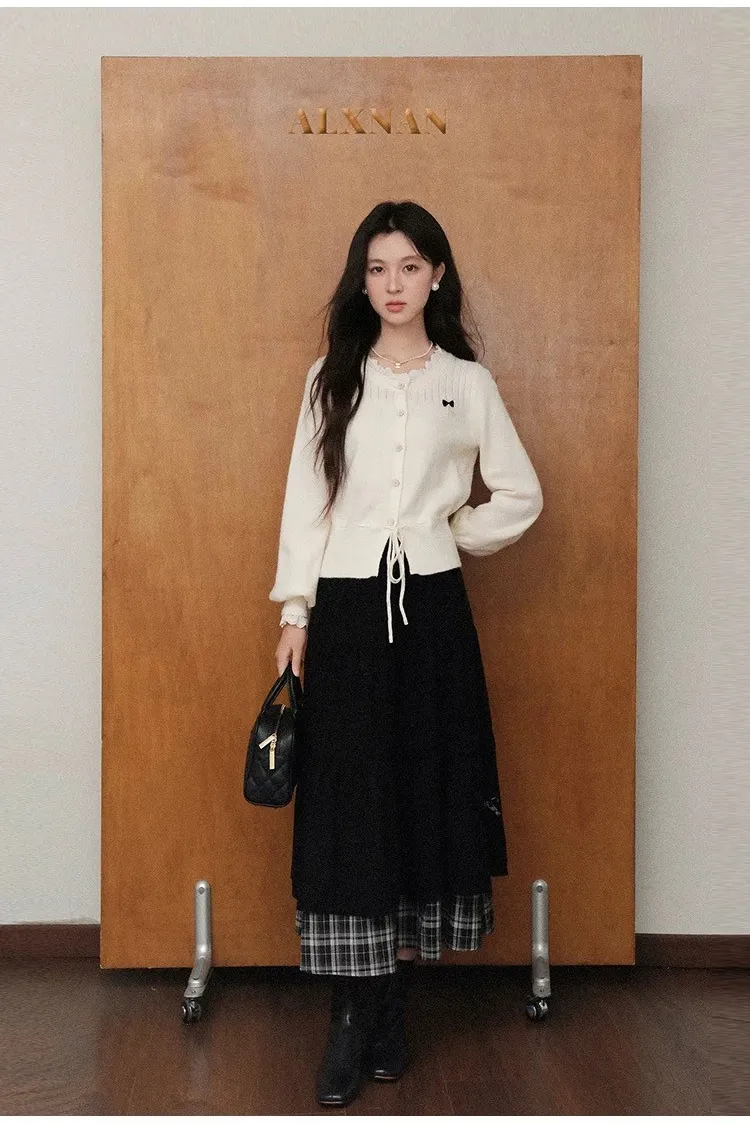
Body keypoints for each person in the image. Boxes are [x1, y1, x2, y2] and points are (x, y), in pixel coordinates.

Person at [269, 200, 543, 1107]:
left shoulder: (467, 382)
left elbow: (520, 493)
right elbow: (307, 497)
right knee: (350, 798)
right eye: (378, 268)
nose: (393, 284)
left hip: (431, 611)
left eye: (410, 266)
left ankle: (392, 1006)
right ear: (363, 279)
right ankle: (350, 1017)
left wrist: (450, 531)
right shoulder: (330, 379)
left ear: (437, 276)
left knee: (421, 790)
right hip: (347, 610)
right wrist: (296, 609)